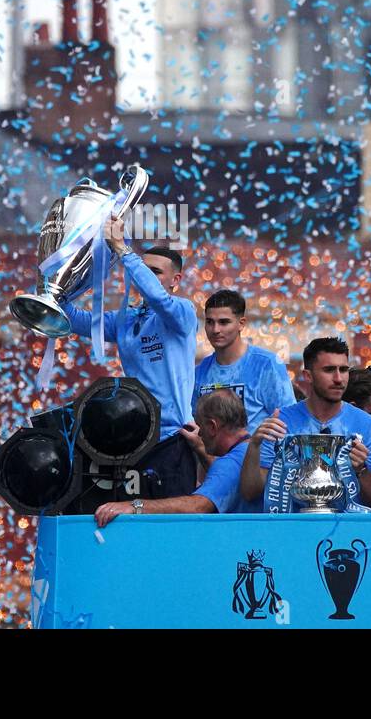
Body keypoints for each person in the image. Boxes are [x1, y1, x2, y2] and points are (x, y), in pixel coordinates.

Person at [62, 215, 197, 441]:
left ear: (176, 280)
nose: (144, 276)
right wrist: (58, 284)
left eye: (156, 272)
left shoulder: (183, 313)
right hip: (137, 435)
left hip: (174, 435)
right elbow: (73, 320)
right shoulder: (126, 319)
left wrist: (123, 250)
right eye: (144, 270)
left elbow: (158, 298)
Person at [238, 337, 371, 510]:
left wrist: (361, 470)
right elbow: (250, 492)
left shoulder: (368, 427)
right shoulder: (281, 422)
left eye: (344, 369)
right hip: (292, 532)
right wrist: (254, 446)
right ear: (308, 375)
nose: (339, 378)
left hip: (348, 534)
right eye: (329, 370)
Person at [94, 389, 252, 526]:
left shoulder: (231, 462)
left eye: (201, 426)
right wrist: (199, 449)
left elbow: (197, 507)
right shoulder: (250, 451)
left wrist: (135, 505)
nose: (200, 433)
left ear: (212, 426)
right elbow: (226, 485)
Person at [187, 289, 295, 471]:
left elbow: (289, 422)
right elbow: (195, 428)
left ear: (241, 323)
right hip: (213, 471)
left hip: (257, 471)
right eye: (210, 322)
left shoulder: (266, 364)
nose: (215, 330)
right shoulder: (200, 372)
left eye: (224, 322)